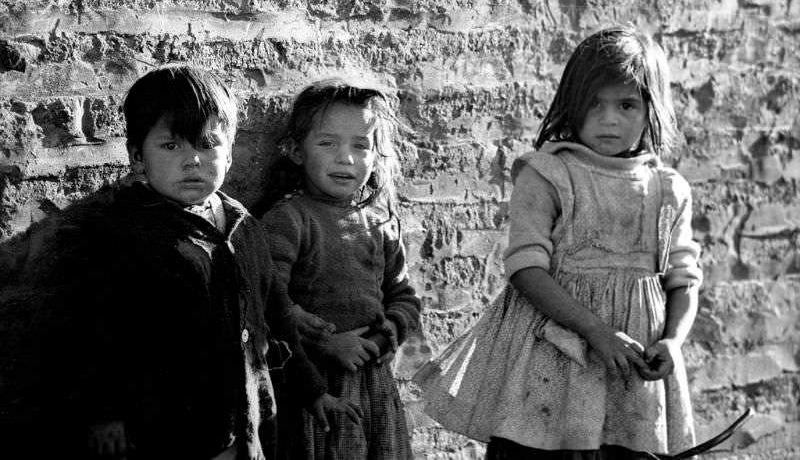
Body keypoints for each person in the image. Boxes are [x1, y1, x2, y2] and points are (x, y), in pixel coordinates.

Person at [38, 65, 358, 460]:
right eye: (171, 146)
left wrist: (313, 391)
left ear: (230, 152)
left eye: (207, 144)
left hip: (249, 426)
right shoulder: (121, 238)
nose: (192, 160)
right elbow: (96, 353)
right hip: (169, 435)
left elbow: (276, 315)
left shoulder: (243, 225)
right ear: (137, 156)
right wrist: (110, 444)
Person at [413, 27, 703, 459]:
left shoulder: (668, 189)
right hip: (554, 362)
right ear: (571, 104)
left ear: (651, 109)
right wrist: (595, 331)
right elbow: (526, 268)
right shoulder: (548, 175)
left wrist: (674, 341)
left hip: (633, 376)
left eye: (626, 105)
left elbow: (683, 278)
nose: (608, 119)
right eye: (593, 104)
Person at [256, 79, 421, 460]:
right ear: (296, 151)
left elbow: (404, 297)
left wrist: (382, 337)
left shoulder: (379, 223)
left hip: (373, 385)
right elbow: (269, 301)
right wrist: (327, 343)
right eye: (328, 143)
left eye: (360, 146)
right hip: (313, 385)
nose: (345, 158)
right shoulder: (289, 220)